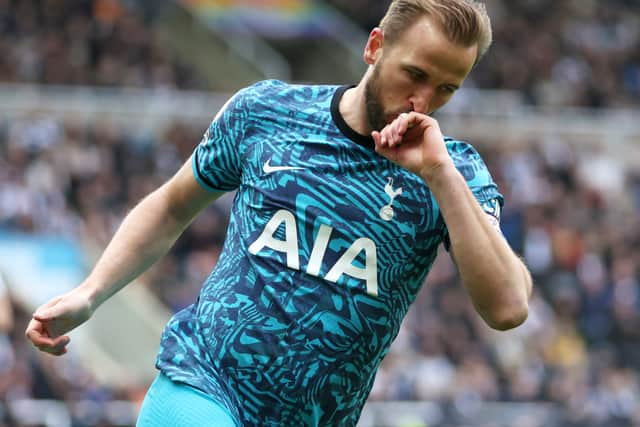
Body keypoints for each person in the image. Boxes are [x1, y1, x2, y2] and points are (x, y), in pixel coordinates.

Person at [26, 0, 533, 425]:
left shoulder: (455, 172)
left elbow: (508, 307)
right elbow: (171, 205)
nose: (422, 102)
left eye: (446, 89)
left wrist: (440, 176)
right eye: (415, 74)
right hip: (203, 386)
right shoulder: (267, 113)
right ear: (375, 46)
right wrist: (89, 294)